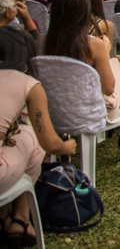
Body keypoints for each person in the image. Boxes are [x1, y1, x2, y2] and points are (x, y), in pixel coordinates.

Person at [45, 0, 120, 160]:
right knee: (119, 68)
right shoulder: (93, 45)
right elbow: (108, 89)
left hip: (54, 108)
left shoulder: (42, 41)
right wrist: (106, 55)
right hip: (89, 110)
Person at [1, 68, 77, 247]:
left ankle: (2, 217)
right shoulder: (27, 84)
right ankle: (21, 219)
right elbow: (49, 144)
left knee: (20, 134)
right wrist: (66, 147)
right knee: (32, 136)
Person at [0, 0, 40, 73]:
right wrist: (26, 18)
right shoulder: (18, 36)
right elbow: (38, 47)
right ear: (7, 11)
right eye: (15, 5)